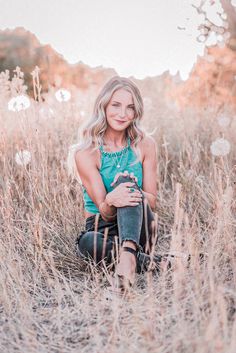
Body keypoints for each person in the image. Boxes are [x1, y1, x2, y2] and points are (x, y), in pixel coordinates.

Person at [68, 76, 164, 294]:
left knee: (126, 183)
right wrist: (112, 198)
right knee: (86, 243)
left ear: (136, 112)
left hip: (140, 225)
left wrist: (130, 189)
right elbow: (104, 210)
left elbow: (152, 201)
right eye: (116, 105)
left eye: (130, 107)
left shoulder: (146, 145)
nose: (123, 114)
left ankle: (129, 253)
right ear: (103, 105)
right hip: (102, 226)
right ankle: (154, 262)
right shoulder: (86, 152)